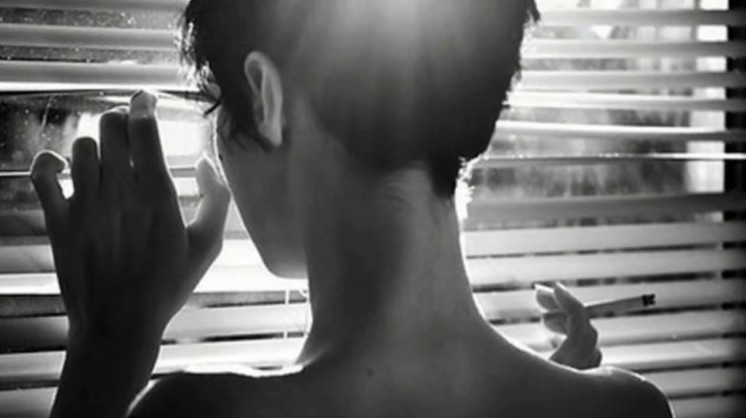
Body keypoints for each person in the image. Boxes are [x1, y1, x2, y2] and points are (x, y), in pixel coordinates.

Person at [30, 1, 673, 417]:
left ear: (265, 97)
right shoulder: (630, 411)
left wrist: (106, 352)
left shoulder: (197, 415)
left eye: (215, 105)